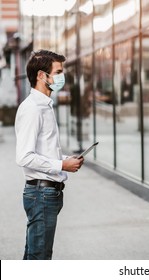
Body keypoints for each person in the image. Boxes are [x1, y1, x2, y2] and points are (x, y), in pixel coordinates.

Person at [15, 50, 84, 260]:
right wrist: (62, 166)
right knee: (40, 257)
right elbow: (24, 157)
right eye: (58, 72)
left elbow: (43, 151)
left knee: (36, 255)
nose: (61, 77)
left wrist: (65, 160)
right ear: (41, 76)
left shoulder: (44, 106)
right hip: (41, 194)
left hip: (46, 194)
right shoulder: (33, 108)